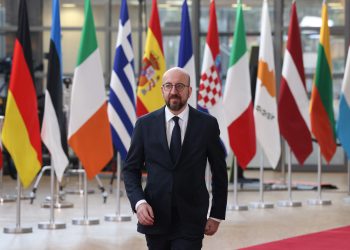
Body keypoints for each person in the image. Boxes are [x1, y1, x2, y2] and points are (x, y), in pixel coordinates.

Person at [123, 67, 228, 250]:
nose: (174, 91)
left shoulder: (207, 125)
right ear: (162, 90)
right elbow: (131, 170)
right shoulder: (144, 125)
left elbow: (219, 172)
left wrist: (216, 214)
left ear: (189, 91)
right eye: (168, 86)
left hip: (192, 218)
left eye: (179, 86)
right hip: (155, 217)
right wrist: (139, 203)